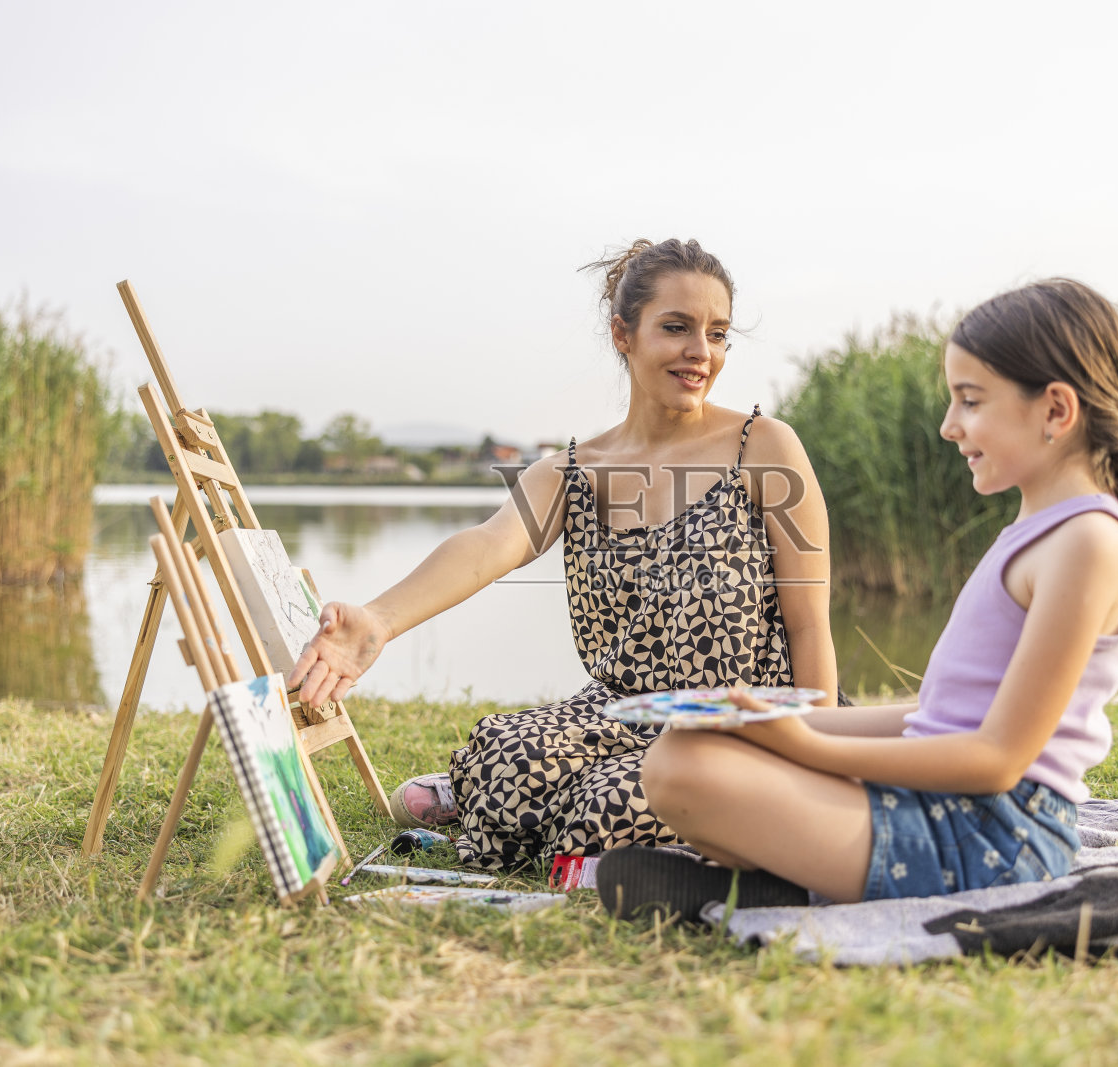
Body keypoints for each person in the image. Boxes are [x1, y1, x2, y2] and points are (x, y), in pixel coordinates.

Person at [596, 278, 1118, 920]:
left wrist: (807, 748)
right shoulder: (1042, 533)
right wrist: (769, 722)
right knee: (690, 746)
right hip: (949, 810)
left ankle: (776, 888)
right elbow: (940, 717)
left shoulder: (1088, 542)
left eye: (971, 402)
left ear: (1056, 411)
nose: (950, 427)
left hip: (1000, 837)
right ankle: (782, 885)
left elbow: (997, 759)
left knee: (684, 771)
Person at [288, 238, 839, 869]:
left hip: (744, 719)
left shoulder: (764, 448)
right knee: (503, 754)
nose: (700, 353)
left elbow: (809, 624)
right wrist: (378, 621)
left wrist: (818, 757)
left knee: (603, 812)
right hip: (617, 716)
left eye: (718, 334)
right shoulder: (572, 472)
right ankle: (534, 797)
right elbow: (487, 546)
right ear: (622, 335)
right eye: (677, 328)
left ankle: (588, 815)